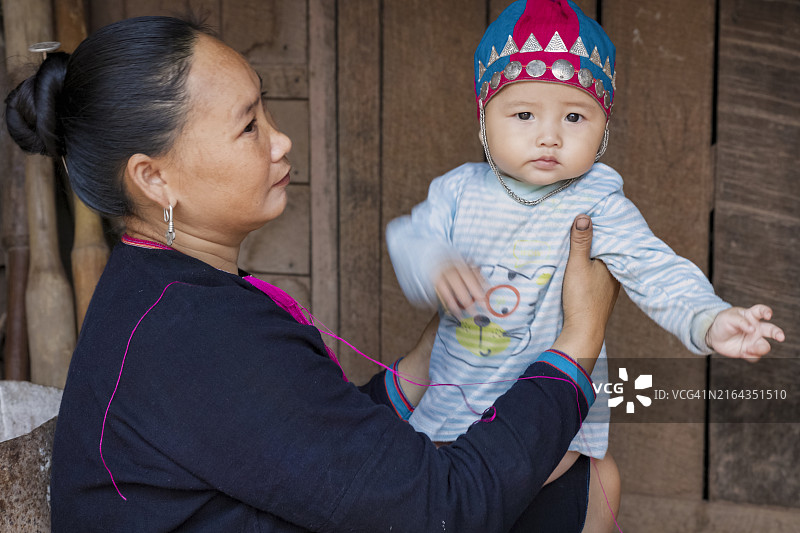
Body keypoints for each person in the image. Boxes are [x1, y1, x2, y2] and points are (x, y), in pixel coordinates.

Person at [6, 15, 621, 532]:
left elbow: (309, 445)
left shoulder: (159, 290)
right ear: (155, 178)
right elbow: (440, 510)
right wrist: (577, 346)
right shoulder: (193, 330)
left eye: (265, 110)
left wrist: (427, 359)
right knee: (582, 488)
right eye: (249, 127)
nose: (280, 141)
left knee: (575, 482)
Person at [386, 0, 784, 510]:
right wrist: (435, 263)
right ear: (485, 118)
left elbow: (652, 266)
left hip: (554, 435)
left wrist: (708, 317)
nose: (549, 136)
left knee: (593, 484)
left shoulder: (598, 203)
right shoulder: (459, 192)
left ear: (604, 128)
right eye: (524, 114)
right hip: (454, 410)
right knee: (448, 491)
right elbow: (409, 235)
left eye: (574, 116)